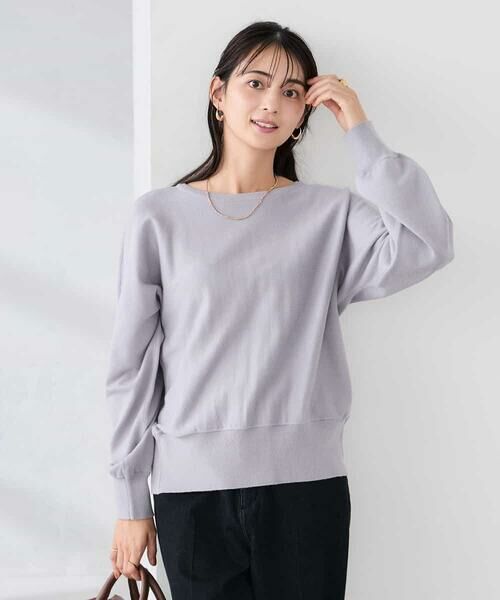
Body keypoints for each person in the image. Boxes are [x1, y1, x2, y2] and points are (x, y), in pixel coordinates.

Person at [105, 20, 454, 599]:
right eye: (256, 83)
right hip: (191, 494)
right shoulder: (158, 217)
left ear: (303, 114)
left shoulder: (330, 215)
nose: (272, 102)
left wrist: (359, 129)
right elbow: (131, 368)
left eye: (292, 92)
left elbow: (428, 244)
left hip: (306, 488)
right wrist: (129, 501)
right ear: (219, 94)